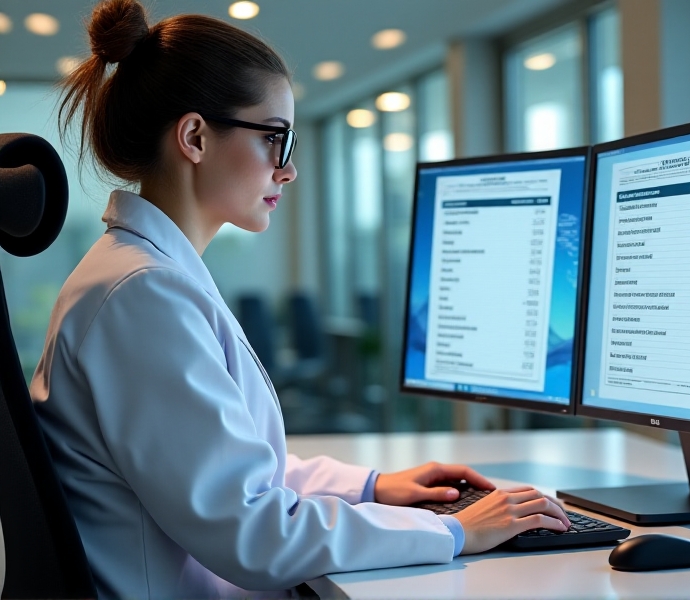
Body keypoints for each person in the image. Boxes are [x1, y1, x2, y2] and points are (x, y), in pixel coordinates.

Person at [30, 1, 571, 597]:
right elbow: (252, 533)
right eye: (275, 139)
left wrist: (371, 487)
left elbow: (224, 466)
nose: (287, 171)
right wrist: (452, 530)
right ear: (195, 137)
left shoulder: (144, 276)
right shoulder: (142, 294)